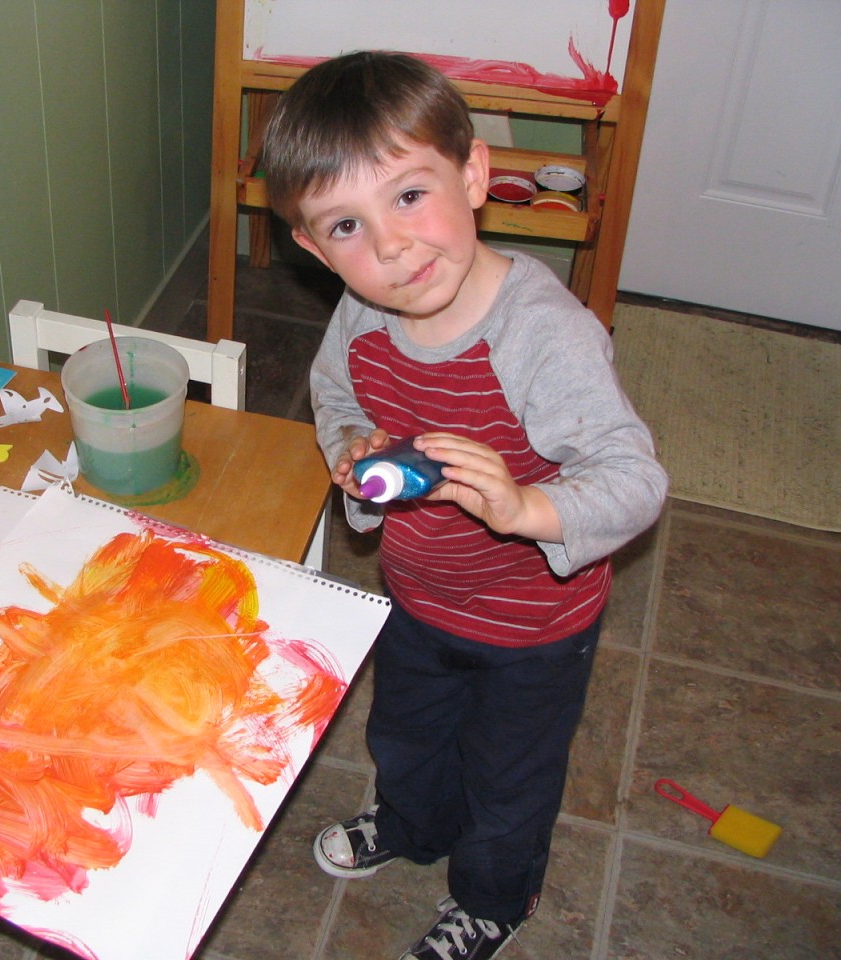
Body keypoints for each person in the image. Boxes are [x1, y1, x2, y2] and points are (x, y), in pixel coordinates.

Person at [261, 51, 668, 960]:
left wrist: (526, 507)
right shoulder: (363, 313)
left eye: (410, 196)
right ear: (313, 248)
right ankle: (412, 822)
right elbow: (336, 395)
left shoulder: (542, 335)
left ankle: (493, 898)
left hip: (534, 627)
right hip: (419, 596)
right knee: (407, 732)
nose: (391, 247)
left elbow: (635, 478)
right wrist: (351, 447)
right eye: (347, 225)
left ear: (475, 175)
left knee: (509, 777)